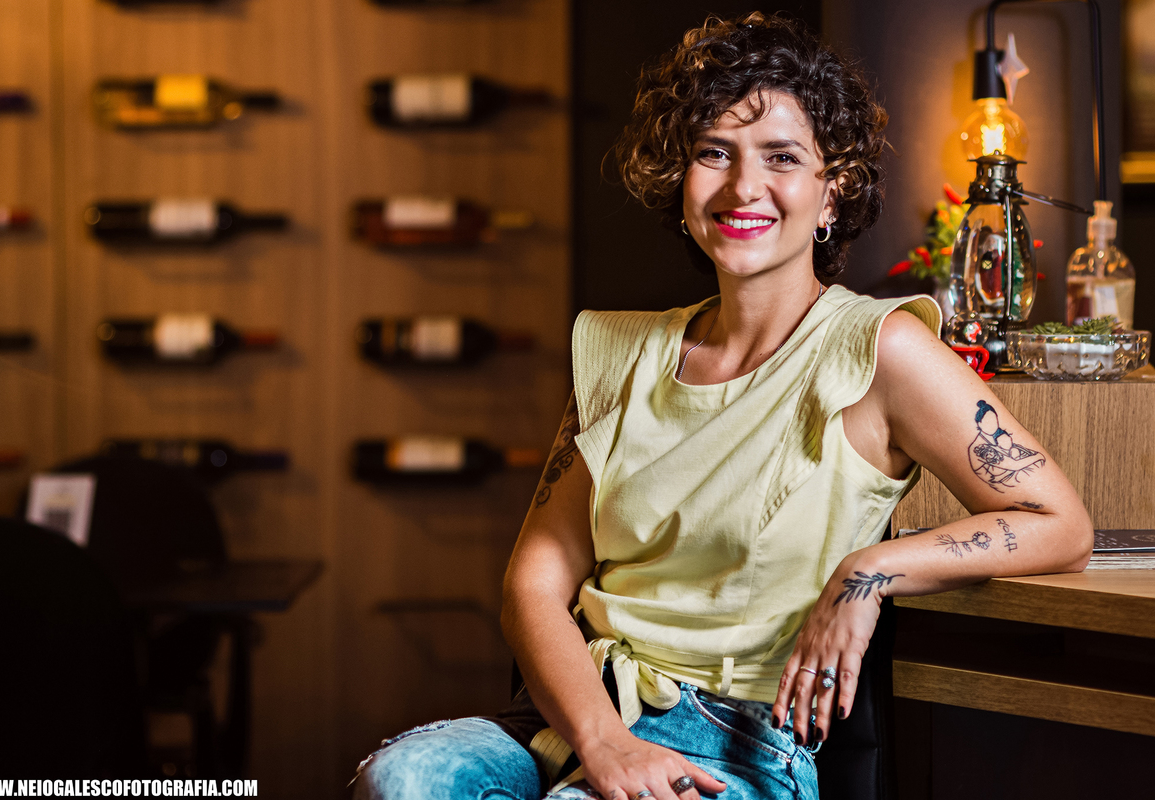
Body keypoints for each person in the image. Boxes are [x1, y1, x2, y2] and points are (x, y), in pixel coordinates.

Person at [351, 12, 1092, 800]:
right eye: (714, 152)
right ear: (682, 182)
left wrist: (869, 572)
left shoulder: (879, 350)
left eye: (782, 157)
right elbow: (531, 587)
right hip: (576, 721)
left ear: (832, 191)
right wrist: (603, 743)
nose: (743, 186)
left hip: (737, 747)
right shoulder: (617, 353)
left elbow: (1060, 524)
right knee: (403, 779)